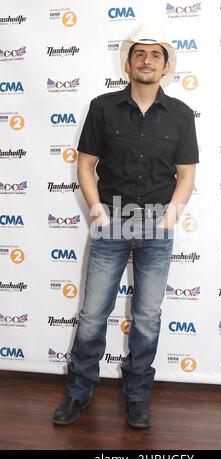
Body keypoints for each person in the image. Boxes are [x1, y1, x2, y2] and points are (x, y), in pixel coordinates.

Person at [52, 21, 199, 429]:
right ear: (128, 63)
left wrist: (169, 218)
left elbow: (186, 174)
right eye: (139, 53)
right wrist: (98, 211)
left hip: (156, 227)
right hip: (111, 224)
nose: (146, 60)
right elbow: (85, 165)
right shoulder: (102, 107)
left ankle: (137, 396)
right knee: (93, 314)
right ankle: (78, 393)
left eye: (155, 54)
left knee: (148, 316)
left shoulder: (182, 115)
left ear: (166, 65)